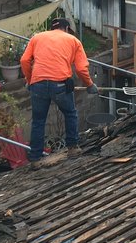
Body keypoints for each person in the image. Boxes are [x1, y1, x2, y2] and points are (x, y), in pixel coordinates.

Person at [20, 17, 98, 161]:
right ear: (67, 29)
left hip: (38, 85)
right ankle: (73, 148)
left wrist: (29, 80)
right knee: (70, 113)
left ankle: (35, 158)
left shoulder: (37, 38)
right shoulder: (73, 40)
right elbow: (81, 68)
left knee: (38, 121)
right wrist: (89, 85)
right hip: (60, 84)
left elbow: (24, 60)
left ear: (52, 28)